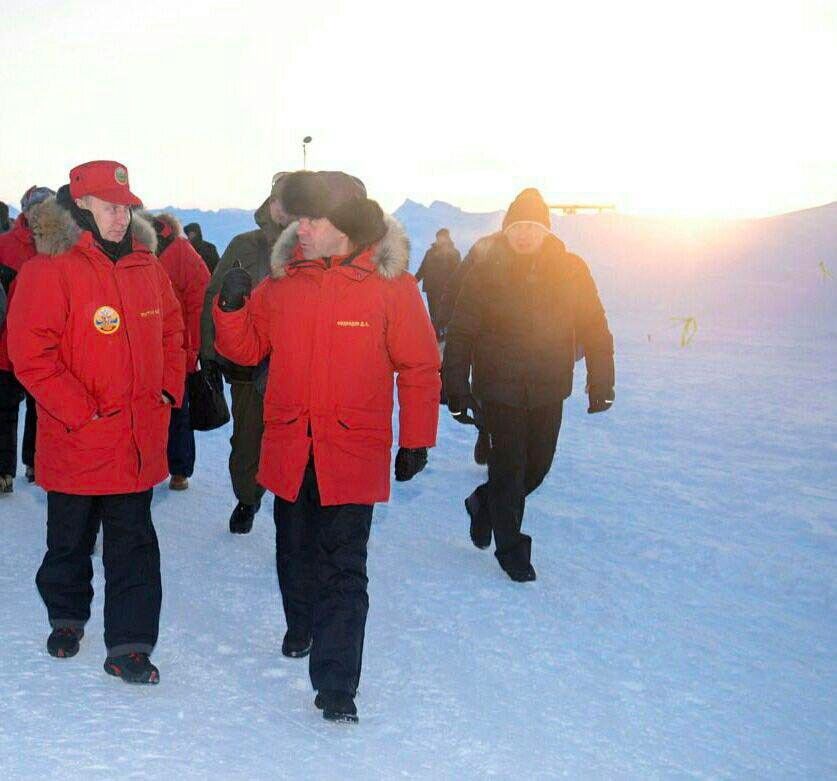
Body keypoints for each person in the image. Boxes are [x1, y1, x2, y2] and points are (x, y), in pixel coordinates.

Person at [213, 170, 440, 723]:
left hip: (352, 449)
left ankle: (337, 683)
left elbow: (419, 365)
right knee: (293, 550)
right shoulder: (283, 281)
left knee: (344, 566)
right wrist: (231, 308)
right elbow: (245, 351)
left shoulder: (391, 287)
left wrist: (416, 439)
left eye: (314, 219)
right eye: (300, 218)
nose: (302, 228)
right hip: (291, 443)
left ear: (345, 225)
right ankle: (300, 623)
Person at [7, 161, 185, 684]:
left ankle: (130, 647)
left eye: (126, 207)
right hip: (77, 438)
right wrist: (80, 410)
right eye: (110, 207)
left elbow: (173, 331)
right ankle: (66, 616)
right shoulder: (49, 269)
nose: (121, 217)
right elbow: (30, 354)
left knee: (135, 547)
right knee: (70, 540)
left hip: (134, 439)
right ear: (82, 205)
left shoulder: (146, 265)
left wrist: (167, 387)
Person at [442, 188, 614, 582]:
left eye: (533, 227)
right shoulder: (486, 269)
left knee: (537, 467)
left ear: (546, 230)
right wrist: (456, 385)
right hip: (498, 386)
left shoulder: (571, 268)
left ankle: (483, 503)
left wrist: (601, 379)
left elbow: (594, 325)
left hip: (549, 385)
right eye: (517, 227)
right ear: (506, 230)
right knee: (508, 468)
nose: (524, 235)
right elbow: (462, 330)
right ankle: (512, 550)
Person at [200, 173, 290, 533]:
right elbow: (214, 296)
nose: (284, 208)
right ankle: (248, 497)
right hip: (248, 367)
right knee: (247, 442)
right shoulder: (244, 245)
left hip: (295, 368)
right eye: (279, 200)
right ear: (270, 203)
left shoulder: (316, 248)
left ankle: (296, 516)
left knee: (296, 445)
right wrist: (208, 353)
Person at [144, 212, 211, 490]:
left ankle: (179, 469)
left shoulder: (181, 252)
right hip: (146, 346)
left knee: (177, 408)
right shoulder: (137, 248)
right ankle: (148, 464)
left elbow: (199, 304)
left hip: (176, 345)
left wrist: (192, 347)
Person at [0, 185, 54, 493]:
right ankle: (4, 471)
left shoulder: (58, 245)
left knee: (41, 408)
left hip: (45, 345)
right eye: (37, 209)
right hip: (5, 343)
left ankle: (35, 462)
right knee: (6, 409)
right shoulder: (4, 244)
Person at [438, 234, 497, 465]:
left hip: (522, 341)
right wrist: (444, 325)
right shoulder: (482, 249)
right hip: (481, 336)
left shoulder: (536, 252)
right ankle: (485, 432)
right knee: (485, 387)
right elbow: (454, 287)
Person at [414, 227, 460, 338]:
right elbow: (423, 268)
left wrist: (457, 287)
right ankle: (436, 334)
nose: (440, 239)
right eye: (438, 237)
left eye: (442, 237)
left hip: (445, 288)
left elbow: (459, 272)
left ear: (447, 237)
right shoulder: (429, 252)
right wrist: (413, 280)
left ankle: (443, 332)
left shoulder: (453, 253)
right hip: (431, 288)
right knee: (433, 312)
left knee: (443, 311)